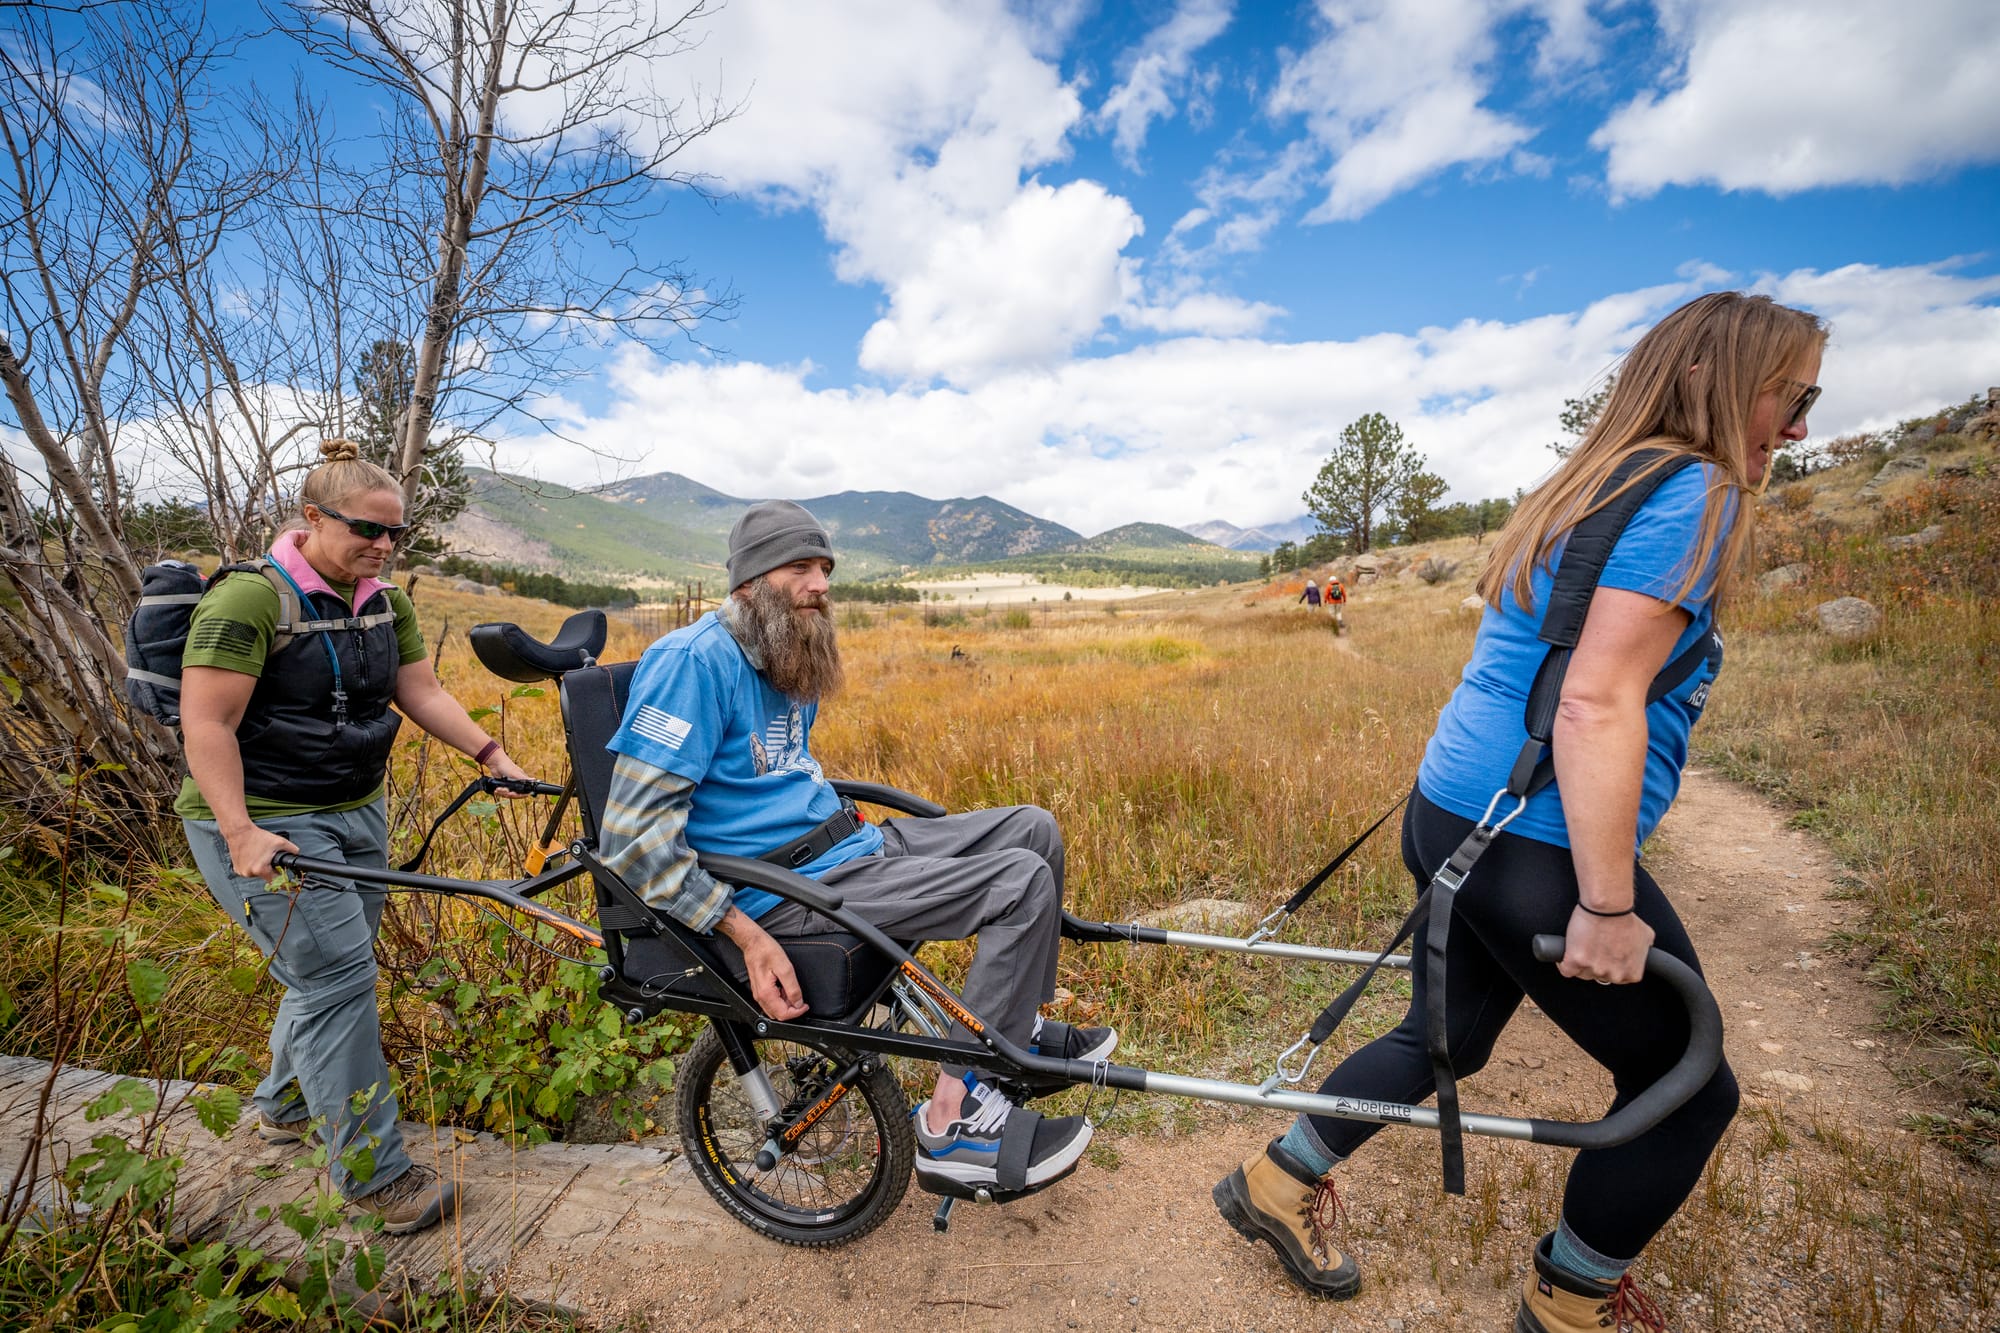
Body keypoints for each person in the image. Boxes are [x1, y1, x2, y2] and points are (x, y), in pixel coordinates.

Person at [1213, 292, 1824, 1331]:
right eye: (1790, 395)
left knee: (1445, 1033)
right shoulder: (1698, 490)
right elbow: (1593, 699)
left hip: (1453, 807)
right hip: (1526, 835)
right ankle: (1569, 1302)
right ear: (1717, 383)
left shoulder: (1590, 479)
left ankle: (1275, 1182)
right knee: (1687, 1081)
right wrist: (1604, 901)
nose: (1802, 424)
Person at [599, 500, 1113, 1194]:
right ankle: (954, 1121)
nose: (821, 585)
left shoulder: (782, 650)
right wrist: (747, 936)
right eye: (801, 568)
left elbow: (776, 776)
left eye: (826, 569)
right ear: (750, 580)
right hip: (785, 891)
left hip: (849, 848)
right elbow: (631, 834)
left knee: (1033, 828)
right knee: (1018, 883)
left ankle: (1014, 1032)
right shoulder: (693, 662)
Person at [179, 440, 535, 1235]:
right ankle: (377, 1180)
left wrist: (489, 751)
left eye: (395, 535)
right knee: (337, 980)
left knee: (329, 972)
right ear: (311, 517)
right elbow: (206, 724)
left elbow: (421, 689)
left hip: (352, 808)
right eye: (366, 530)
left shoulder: (383, 600)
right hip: (263, 815)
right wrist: (240, 832)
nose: (381, 547)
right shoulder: (250, 600)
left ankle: (283, 1105)